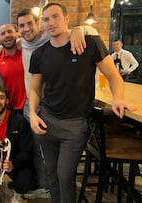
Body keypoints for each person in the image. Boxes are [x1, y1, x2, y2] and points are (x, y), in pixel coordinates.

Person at [29, 3, 132, 203]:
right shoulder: (39, 54)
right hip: (46, 122)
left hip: (75, 125)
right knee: (52, 175)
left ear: (67, 19)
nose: (51, 22)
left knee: (65, 176)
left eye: (56, 16)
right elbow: (34, 89)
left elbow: (113, 76)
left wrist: (118, 98)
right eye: (46, 19)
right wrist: (33, 113)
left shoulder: (89, 44)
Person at [15, 8, 98, 199]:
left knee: (63, 173)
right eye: (22, 25)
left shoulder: (50, 38)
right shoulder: (21, 45)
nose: (26, 28)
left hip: (63, 113)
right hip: (39, 108)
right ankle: (46, 189)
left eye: (30, 23)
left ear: (39, 25)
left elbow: (91, 33)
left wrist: (80, 29)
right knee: (45, 160)